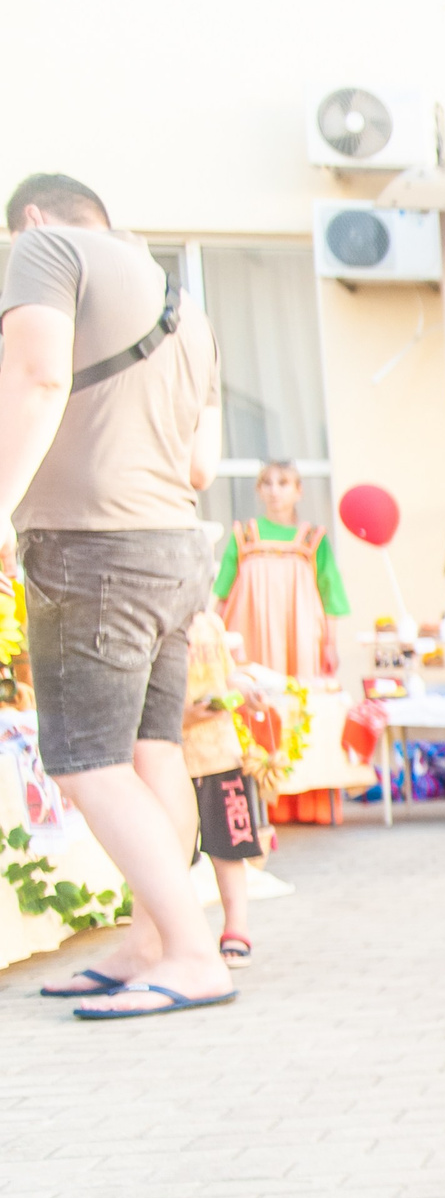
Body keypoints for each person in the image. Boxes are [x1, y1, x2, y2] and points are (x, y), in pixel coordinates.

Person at [0, 172, 234, 1020]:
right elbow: (204, 463)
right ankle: (154, 942)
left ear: (30, 217)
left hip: (93, 547)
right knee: (151, 753)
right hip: (175, 544)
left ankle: (191, 954)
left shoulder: (43, 249)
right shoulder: (184, 303)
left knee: (89, 763)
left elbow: (33, 379)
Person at [215, 458, 347, 678]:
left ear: (298, 490)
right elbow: (223, 594)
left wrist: (330, 645)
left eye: (283, 483)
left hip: (300, 635)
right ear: (259, 490)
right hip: (249, 633)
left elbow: (330, 596)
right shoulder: (244, 535)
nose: (274, 491)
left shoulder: (313, 539)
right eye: (267, 483)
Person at [181, 609, 261, 967]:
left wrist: (240, 685)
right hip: (173, 755)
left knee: (229, 847)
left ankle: (236, 927)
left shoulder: (210, 622)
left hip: (220, 753)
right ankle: (182, 935)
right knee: (174, 853)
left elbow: (227, 674)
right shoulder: (157, 617)